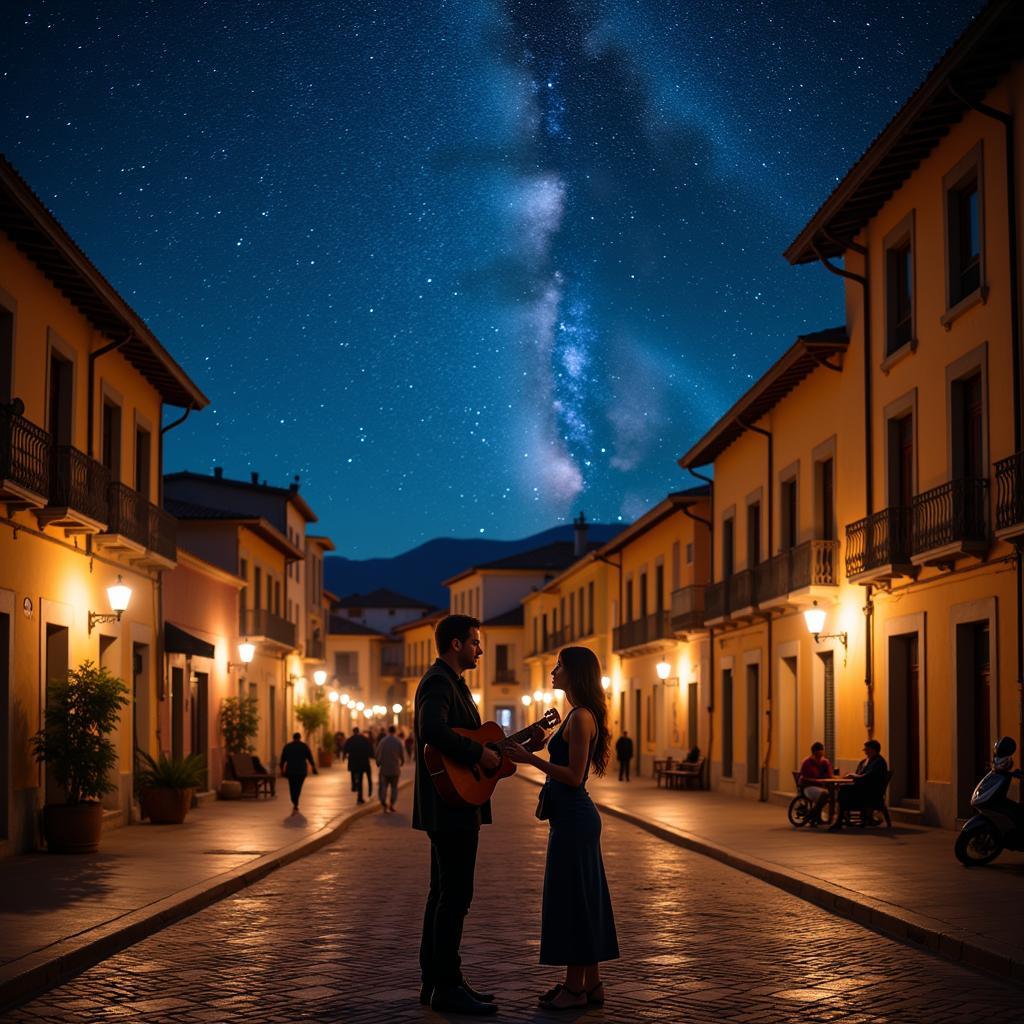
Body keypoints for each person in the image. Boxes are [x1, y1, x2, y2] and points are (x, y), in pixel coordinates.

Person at [413, 614, 546, 1016]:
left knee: (442, 894)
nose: (481, 650)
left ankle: (436, 980)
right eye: (474, 643)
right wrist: (478, 753)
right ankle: (446, 987)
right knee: (455, 896)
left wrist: (515, 746)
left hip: (454, 804)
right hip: (450, 806)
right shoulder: (439, 682)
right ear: (456, 644)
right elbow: (431, 731)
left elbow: (483, 747)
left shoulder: (453, 684)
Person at [506, 646, 620, 1010]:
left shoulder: (583, 717)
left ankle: (575, 989)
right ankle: (591, 983)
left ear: (575, 672)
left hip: (575, 818)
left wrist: (530, 759)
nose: (553, 672)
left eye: (559, 667)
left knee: (574, 901)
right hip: (568, 818)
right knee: (582, 898)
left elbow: (573, 776)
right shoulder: (574, 716)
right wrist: (543, 745)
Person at [828, 739, 889, 831]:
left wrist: (853, 776)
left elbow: (867, 777)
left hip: (871, 793)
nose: (865, 752)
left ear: (873, 750)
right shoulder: (865, 761)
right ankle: (841, 819)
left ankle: (840, 820)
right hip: (863, 789)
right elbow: (859, 776)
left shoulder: (878, 762)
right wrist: (846, 780)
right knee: (843, 790)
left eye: (866, 749)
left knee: (843, 792)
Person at [279, 732, 318, 814]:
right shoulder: (304, 746)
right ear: (300, 738)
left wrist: (281, 770)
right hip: (301, 770)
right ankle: (296, 801)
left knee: (292, 786)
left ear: (293, 738)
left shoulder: (288, 746)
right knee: (298, 786)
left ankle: (294, 800)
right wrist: (314, 768)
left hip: (291, 770)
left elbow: (282, 760)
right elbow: (310, 758)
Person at [797, 742, 833, 826]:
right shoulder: (807, 762)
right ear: (815, 752)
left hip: (820, 787)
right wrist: (816, 781)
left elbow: (829, 775)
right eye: (820, 750)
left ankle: (813, 816)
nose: (822, 752)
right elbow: (804, 778)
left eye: (822, 750)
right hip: (808, 787)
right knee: (825, 794)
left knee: (828, 794)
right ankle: (813, 816)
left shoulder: (824, 762)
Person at [376, 724, 405, 812]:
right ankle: (392, 804)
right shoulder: (398, 741)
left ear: (388, 731)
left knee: (383, 787)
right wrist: (402, 763)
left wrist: (378, 763)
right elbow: (402, 755)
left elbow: (378, 753)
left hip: (384, 769)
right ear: (395, 731)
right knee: (394, 788)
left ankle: (384, 804)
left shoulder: (383, 741)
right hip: (395, 769)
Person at [343, 727, 374, 804]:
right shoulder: (364, 739)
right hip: (364, 762)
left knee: (359, 780)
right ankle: (370, 793)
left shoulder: (350, 740)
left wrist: (344, 757)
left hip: (355, 763)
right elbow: (370, 749)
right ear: (358, 731)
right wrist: (373, 756)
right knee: (369, 777)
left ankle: (358, 796)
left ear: (353, 732)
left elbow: (345, 749)